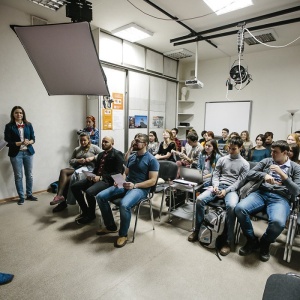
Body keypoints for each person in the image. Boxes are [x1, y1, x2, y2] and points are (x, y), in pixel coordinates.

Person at [235, 140, 300, 262]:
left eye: (275, 152)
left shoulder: (296, 168)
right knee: (239, 208)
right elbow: (249, 173)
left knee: (278, 222)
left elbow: (297, 191)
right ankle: (251, 240)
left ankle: (265, 242)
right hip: (261, 193)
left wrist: (283, 175)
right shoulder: (267, 161)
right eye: (271, 151)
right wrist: (263, 176)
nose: (272, 154)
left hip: (280, 198)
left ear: (285, 153)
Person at [188, 136, 249, 256]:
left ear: (241, 148)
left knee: (232, 206)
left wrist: (226, 191)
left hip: (231, 190)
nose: (230, 151)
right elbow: (215, 175)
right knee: (200, 200)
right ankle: (197, 230)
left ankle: (228, 241)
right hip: (218, 186)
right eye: (229, 148)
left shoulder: (245, 164)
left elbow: (239, 183)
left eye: (234, 149)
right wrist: (215, 185)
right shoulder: (222, 159)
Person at [95, 133, 159, 248]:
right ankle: (111, 227)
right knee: (100, 196)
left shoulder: (152, 160)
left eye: (138, 141)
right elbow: (126, 173)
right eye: (134, 140)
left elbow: (153, 181)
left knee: (124, 205)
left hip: (140, 188)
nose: (134, 142)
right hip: (126, 184)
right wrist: (120, 181)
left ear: (145, 144)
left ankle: (123, 234)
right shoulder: (132, 157)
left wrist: (135, 185)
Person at [71, 136, 124, 224]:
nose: (103, 143)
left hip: (108, 181)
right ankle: (85, 211)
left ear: (112, 143)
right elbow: (97, 168)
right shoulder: (101, 154)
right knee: (74, 187)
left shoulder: (117, 154)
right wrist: (91, 175)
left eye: (106, 142)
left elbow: (118, 173)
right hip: (96, 177)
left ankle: (91, 215)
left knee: (89, 192)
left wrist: (101, 177)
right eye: (103, 141)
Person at [50, 132, 101, 211]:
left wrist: (92, 158)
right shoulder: (77, 149)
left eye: (84, 140)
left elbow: (103, 154)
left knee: (67, 180)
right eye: (81, 141)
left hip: (89, 170)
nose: (82, 142)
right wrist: (78, 160)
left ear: (88, 140)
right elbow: (71, 161)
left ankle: (62, 203)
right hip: (78, 168)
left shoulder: (94, 147)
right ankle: (59, 196)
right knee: (63, 171)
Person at [4, 106, 37, 205]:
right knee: (18, 176)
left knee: (29, 175)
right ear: (13, 114)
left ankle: (29, 194)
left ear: (23, 114)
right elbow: (7, 142)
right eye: (16, 113)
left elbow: (33, 139)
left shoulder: (28, 125)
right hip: (16, 154)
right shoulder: (9, 126)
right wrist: (20, 143)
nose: (19, 114)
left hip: (28, 152)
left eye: (21, 113)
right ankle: (21, 197)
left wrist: (29, 142)